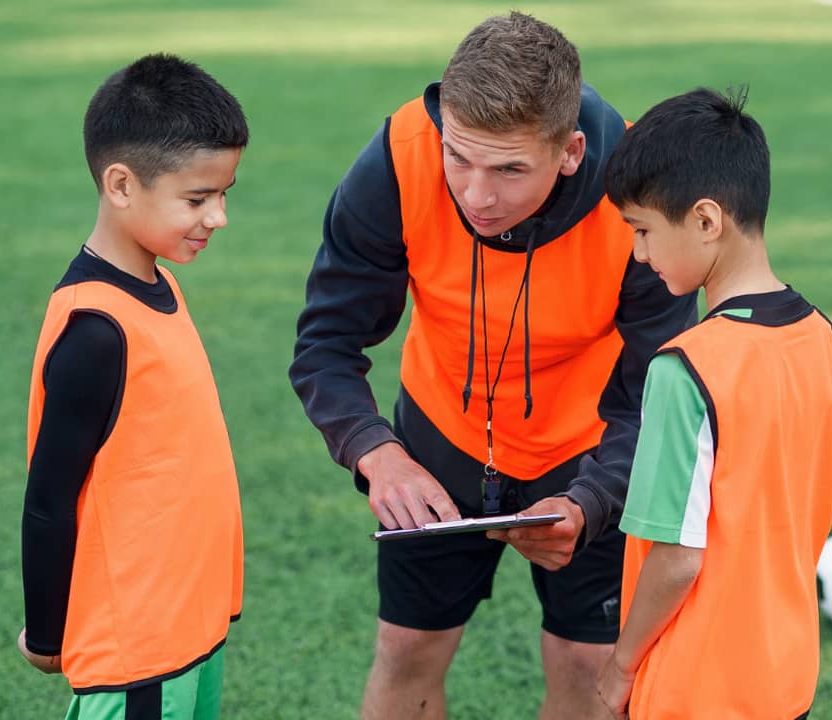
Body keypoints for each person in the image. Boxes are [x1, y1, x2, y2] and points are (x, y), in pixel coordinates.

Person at [288, 11, 697, 720]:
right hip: (438, 437)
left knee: (588, 664)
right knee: (406, 650)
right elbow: (327, 342)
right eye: (460, 158)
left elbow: (656, 396)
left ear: (570, 152)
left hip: (585, 452)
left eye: (510, 169)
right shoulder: (398, 156)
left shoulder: (635, 194)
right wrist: (376, 454)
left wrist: (589, 503)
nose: (477, 195)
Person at [594, 87, 832, 720]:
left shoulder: (686, 368)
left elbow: (677, 558)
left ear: (707, 220)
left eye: (642, 230)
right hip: (785, 677)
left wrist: (620, 667)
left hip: (693, 688)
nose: (639, 253)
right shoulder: (818, 336)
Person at [17, 53, 248, 720]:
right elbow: (48, 498)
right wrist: (47, 633)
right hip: (139, 652)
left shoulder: (158, 283)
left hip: (190, 626)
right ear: (121, 184)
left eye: (225, 194)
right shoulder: (95, 330)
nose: (218, 217)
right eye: (198, 199)